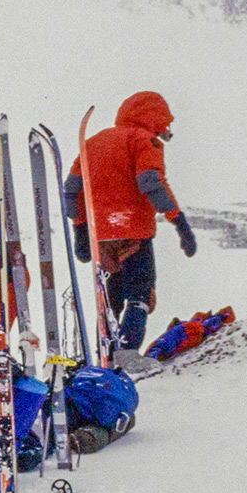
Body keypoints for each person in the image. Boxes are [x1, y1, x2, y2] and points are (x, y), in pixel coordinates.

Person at [64, 91, 197, 374]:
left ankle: (107, 355)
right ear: (154, 117)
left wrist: (80, 230)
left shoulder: (93, 141)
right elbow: (151, 182)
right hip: (134, 233)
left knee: (110, 298)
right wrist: (179, 222)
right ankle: (127, 355)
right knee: (139, 295)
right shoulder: (143, 140)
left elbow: (72, 189)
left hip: (101, 237)